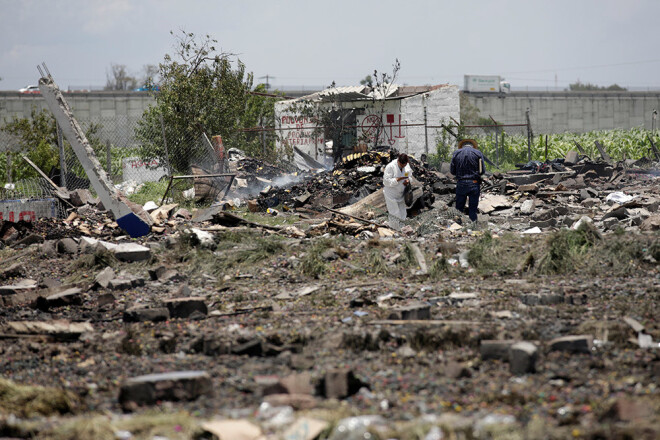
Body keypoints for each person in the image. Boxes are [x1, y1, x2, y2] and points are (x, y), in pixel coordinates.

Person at [450, 139, 485, 222]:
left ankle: (458, 226)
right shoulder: (478, 153)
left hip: (461, 183)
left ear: (462, 145)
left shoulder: (456, 153)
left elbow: (452, 171)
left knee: (459, 208)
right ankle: (473, 226)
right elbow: (482, 171)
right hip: (474, 183)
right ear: (473, 145)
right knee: (473, 209)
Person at [383, 153, 413, 229]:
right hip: (391, 194)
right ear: (398, 161)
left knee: (402, 212)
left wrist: (407, 180)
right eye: (401, 164)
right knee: (394, 213)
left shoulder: (406, 166)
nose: (403, 166)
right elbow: (386, 182)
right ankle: (395, 229)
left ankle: (402, 229)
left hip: (401, 193)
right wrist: (399, 179)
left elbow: (409, 176)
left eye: (405, 165)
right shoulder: (390, 167)